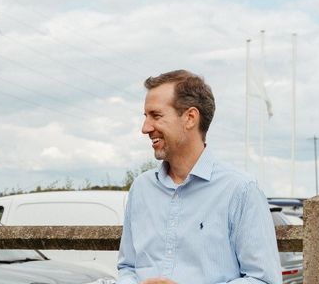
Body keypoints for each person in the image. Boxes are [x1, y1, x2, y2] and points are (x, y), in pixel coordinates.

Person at [117, 70, 281, 284]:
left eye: (155, 115)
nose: (145, 128)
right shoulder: (141, 188)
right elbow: (127, 267)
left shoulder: (240, 190)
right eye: (145, 117)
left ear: (190, 118)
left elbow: (264, 280)